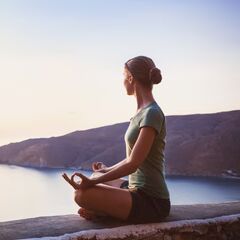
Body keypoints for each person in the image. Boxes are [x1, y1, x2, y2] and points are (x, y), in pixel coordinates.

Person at [62, 55, 171, 224]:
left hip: (152, 201)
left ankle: (103, 213)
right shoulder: (142, 112)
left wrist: (93, 182)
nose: (122, 81)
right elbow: (132, 158)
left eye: (123, 75)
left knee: (81, 194)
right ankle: (103, 212)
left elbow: (133, 163)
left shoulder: (152, 113)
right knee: (97, 173)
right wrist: (106, 171)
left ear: (130, 78)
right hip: (134, 189)